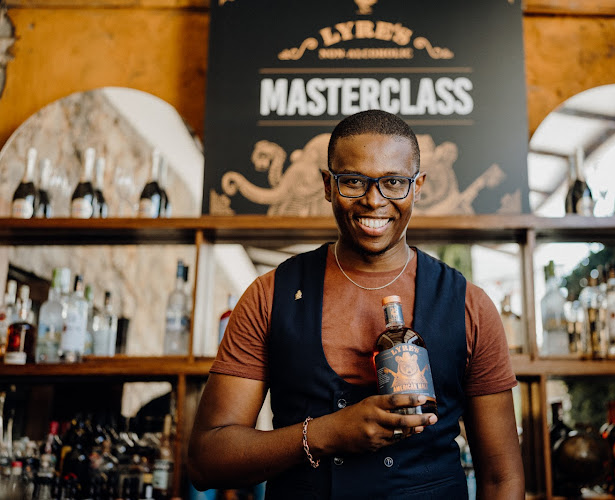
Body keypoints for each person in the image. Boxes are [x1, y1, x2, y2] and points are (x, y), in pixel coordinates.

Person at [188, 109, 524, 499]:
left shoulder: (470, 305)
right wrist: (328, 433)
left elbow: (503, 479)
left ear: (418, 187)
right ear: (328, 185)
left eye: (394, 182)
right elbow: (206, 460)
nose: (373, 200)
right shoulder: (269, 295)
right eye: (353, 182)